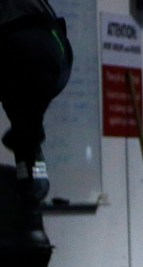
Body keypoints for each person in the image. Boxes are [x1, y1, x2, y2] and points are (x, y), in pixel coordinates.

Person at [0, 0, 72, 233]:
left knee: (23, 110)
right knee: (23, 111)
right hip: (52, 46)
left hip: (33, 42)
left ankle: (29, 161)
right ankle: (30, 166)